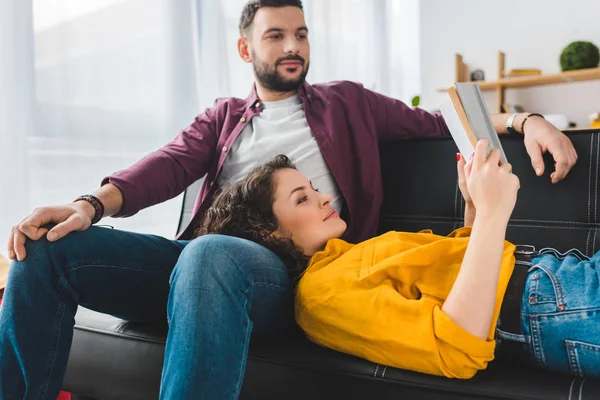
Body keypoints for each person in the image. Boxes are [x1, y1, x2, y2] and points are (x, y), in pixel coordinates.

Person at [0, 0, 579, 398]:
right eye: (276, 35)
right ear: (246, 48)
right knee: (46, 250)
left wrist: (525, 118)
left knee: (213, 256)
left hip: (287, 272)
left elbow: (438, 121)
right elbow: (167, 164)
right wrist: (91, 205)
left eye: (301, 33)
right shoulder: (222, 119)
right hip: (200, 268)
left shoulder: (348, 103)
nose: (293, 46)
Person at [200, 147, 600, 381]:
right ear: (269, 234)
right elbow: (455, 345)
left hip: (565, 284)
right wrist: (496, 213)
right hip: (557, 306)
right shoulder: (319, 296)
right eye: (301, 198)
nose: (323, 197)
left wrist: (475, 209)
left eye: (314, 188)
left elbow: (459, 277)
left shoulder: (343, 257)